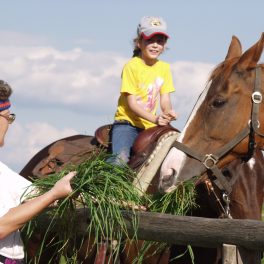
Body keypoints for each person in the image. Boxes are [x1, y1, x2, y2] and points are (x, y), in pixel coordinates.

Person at [0, 80, 76, 264]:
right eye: (8, 117)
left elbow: (34, 194)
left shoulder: (3, 171)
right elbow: (1, 227)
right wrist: (53, 193)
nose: (10, 124)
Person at [109, 16, 177, 165]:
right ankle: (104, 182)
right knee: (120, 160)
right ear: (139, 43)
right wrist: (156, 119)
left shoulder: (164, 68)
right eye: (149, 40)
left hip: (150, 126)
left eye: (160, 41)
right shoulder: (131, 66)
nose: (155, 45)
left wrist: (167, 112)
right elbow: (132, 104)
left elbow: (165, 99)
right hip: (127, 124)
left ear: (164, 45)